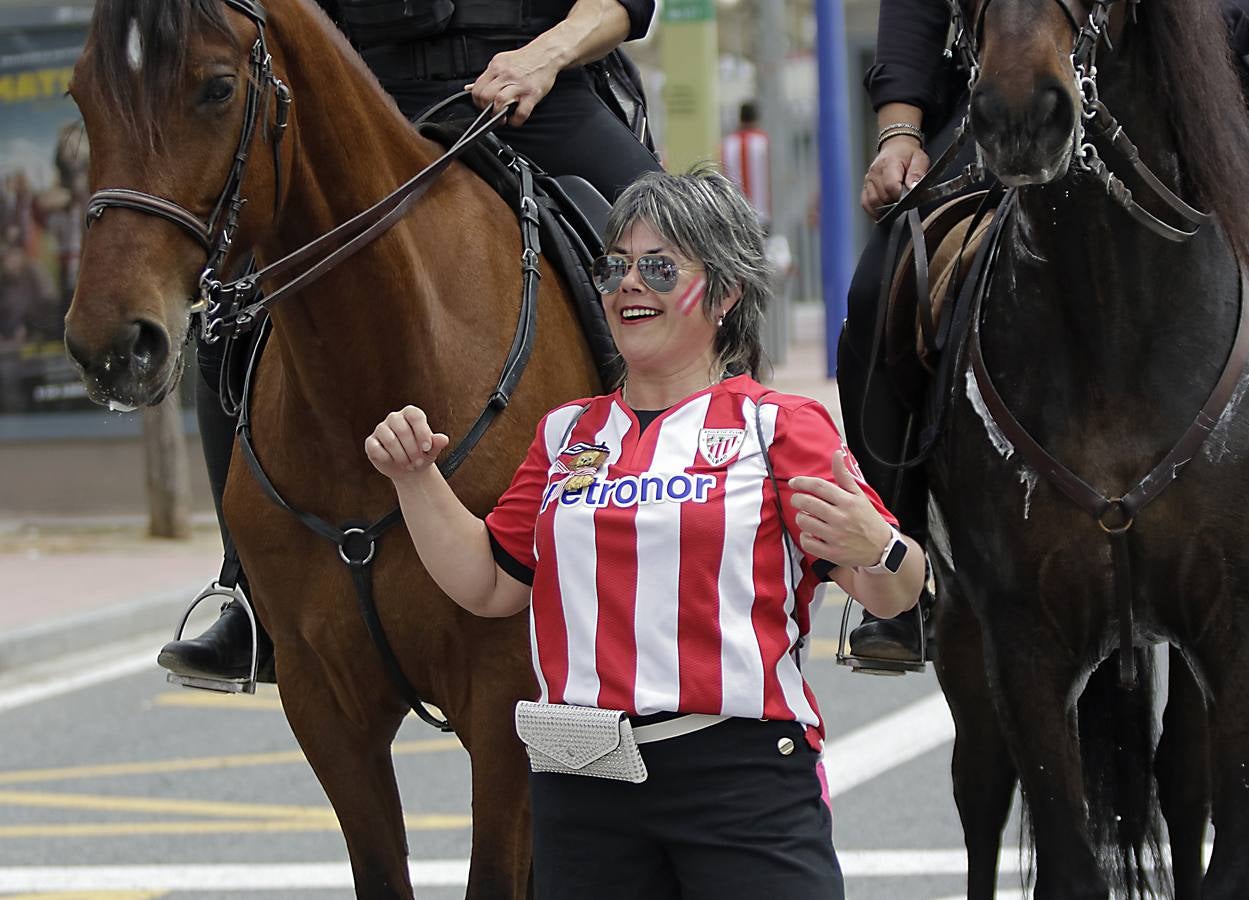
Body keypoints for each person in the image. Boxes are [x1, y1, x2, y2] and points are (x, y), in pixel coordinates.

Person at [364, 168, 925, 898]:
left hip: (740, 779)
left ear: (723, 294)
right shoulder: (567, 432)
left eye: (660, 267)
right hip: (584, 784)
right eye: (614, 267)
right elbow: (490, 582)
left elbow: (894, 593)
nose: (629, 284)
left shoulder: (777, 426)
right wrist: (414, 479)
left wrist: (879, 547)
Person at [158, 0, 664, 682]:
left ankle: (687, 542)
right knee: (229, 310)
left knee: (675, 251)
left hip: (537, 89)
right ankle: (246, 596)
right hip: (362, 99)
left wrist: (543, 57)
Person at [837, 0, 1249, 665]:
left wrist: (1181, 35)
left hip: (1182, 88)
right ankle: (895, 566)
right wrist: (898, 132)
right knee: (876, 292)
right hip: (1006, 89)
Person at [721, 101, 772, 229]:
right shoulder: (764, 141)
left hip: (735, 213)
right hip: (763, 214)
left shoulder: (727, 143)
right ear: (757, 118)